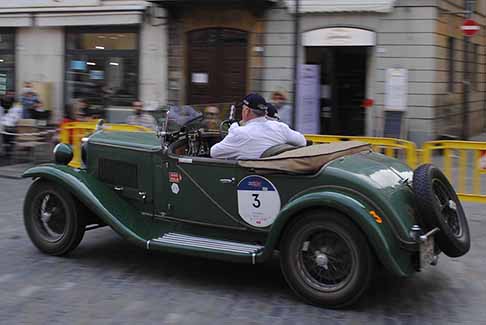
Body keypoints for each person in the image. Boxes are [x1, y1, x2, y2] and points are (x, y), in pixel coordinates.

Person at [210, 93, 306, 160]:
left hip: (251, 180)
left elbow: (214, 153)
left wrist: (233, 130)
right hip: (277, 177)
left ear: (246, 111)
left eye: (243, 109)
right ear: (264, 112)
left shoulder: (240, 132)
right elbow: (302, 141)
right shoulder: (280, 127)